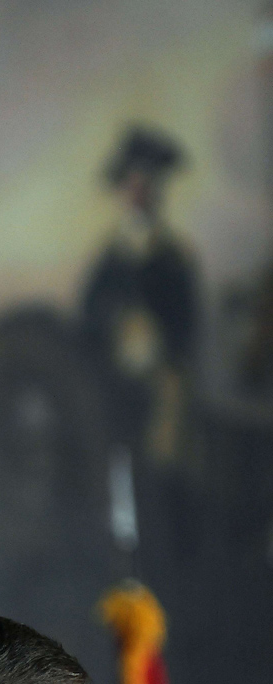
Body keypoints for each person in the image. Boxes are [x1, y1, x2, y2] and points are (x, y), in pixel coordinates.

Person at [80, 126, 199, 466]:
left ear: (156, 192)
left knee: (165, 446)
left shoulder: (173, 260)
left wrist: (157, 341)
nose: (138, 194)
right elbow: (88, 316)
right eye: (132, 186)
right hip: (110, 380)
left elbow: (186, 326)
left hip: (161, 381)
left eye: (146, 186)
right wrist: (117, 324)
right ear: (122, 191)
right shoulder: (108, 260)